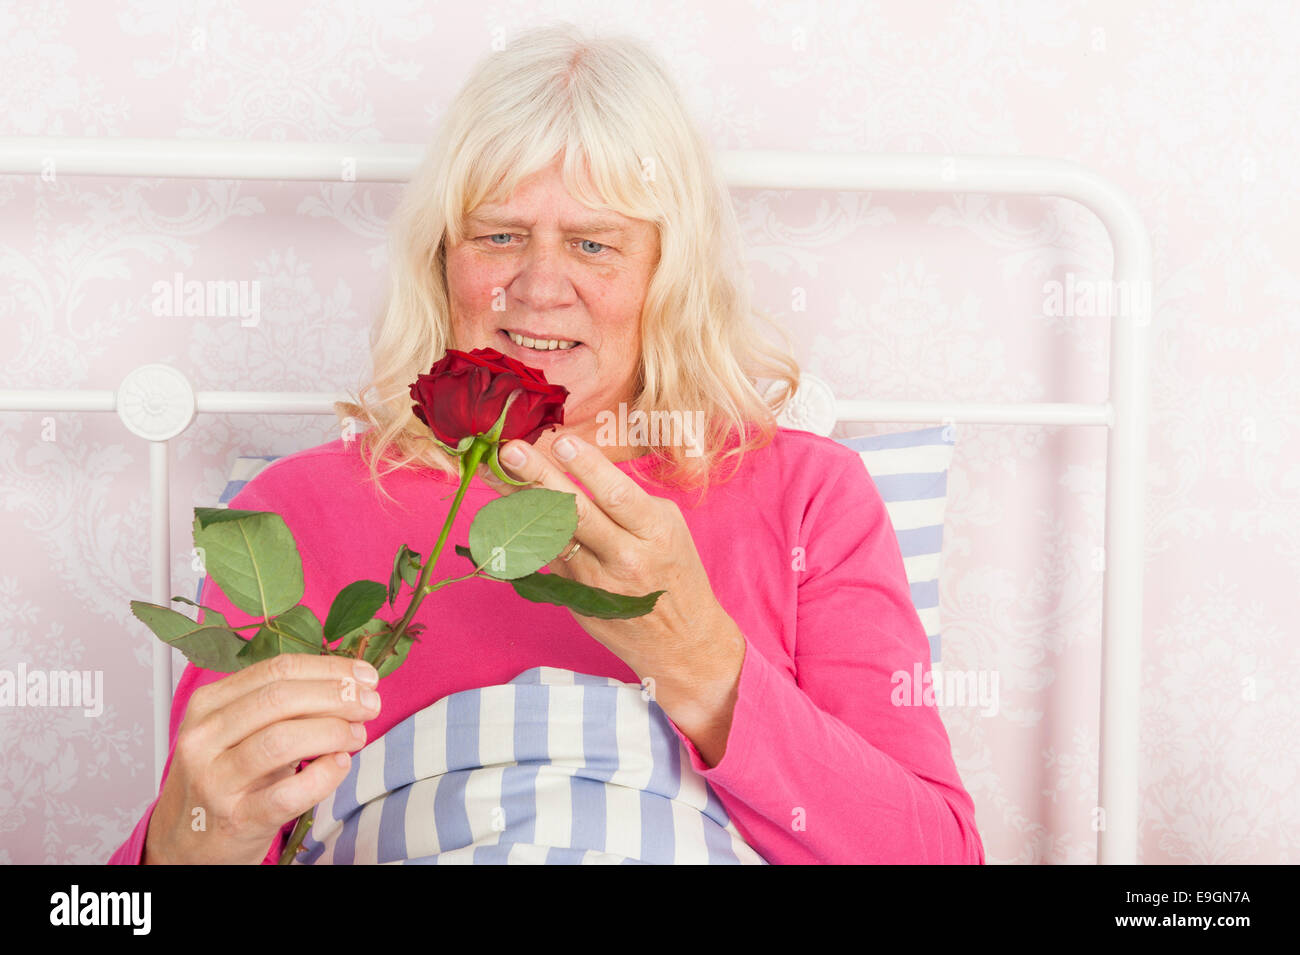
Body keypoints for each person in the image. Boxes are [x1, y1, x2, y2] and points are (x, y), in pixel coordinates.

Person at [109, 21, 983, 865]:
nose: (536, 286)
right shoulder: (291, 512)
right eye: (498, 236)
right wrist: (191, 840)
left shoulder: (809, 497)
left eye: (594, 244)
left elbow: (936, 857)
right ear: (441, 259)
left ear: (666, 274)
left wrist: (702, 663)